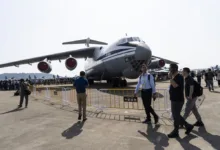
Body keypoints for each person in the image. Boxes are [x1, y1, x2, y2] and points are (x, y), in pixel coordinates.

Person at [168, 64, 194, 138]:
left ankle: (176, 131)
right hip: (174, 99)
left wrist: (170, 78)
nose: (169, 70)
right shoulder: (175, 77)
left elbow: (175, 85)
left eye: (170, 68)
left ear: (174, 69)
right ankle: (188, 126)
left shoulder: (179, 77)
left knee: (176, 115)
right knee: (176, 115)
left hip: (178, 100)